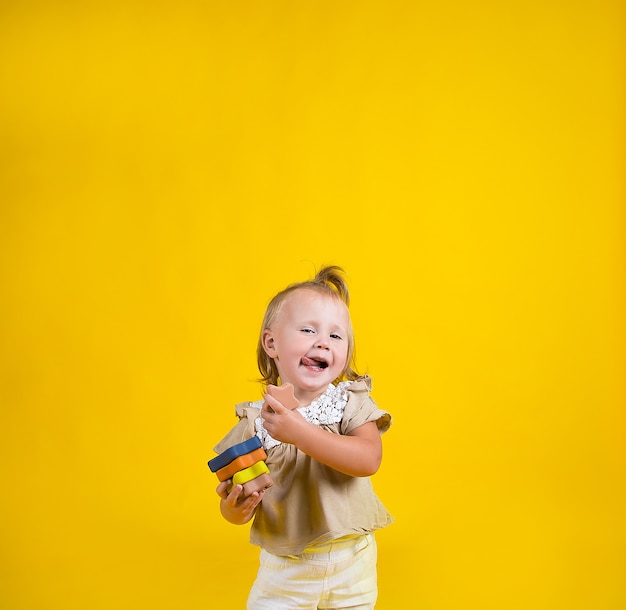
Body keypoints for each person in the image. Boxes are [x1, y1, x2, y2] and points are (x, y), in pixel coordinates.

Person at [213, 265, 393, 609]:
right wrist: (233, 507)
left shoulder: (350, 402)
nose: (323, 342)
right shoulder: (255, 421)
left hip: (352, 560)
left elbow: (369, 460)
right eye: (308, 330)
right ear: (272, 343)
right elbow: (238, 505)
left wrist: (300, 433)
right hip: (286, 570)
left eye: (336, 336)